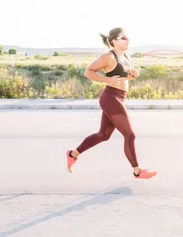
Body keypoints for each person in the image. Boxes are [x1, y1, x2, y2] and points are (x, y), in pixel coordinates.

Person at [66, 28, 157, 179]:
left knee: (103, 135)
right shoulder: (108, 57)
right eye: (124, 37)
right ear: (114, 41)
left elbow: (122, 78)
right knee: (130, 135)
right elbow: (88, 72)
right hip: (110, 97)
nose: (128, 40)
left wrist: (132, 76)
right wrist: (106, 80)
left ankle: (72, 154)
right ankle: (137, 171)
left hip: (119, 97)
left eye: (128, 37)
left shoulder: (126, 57)